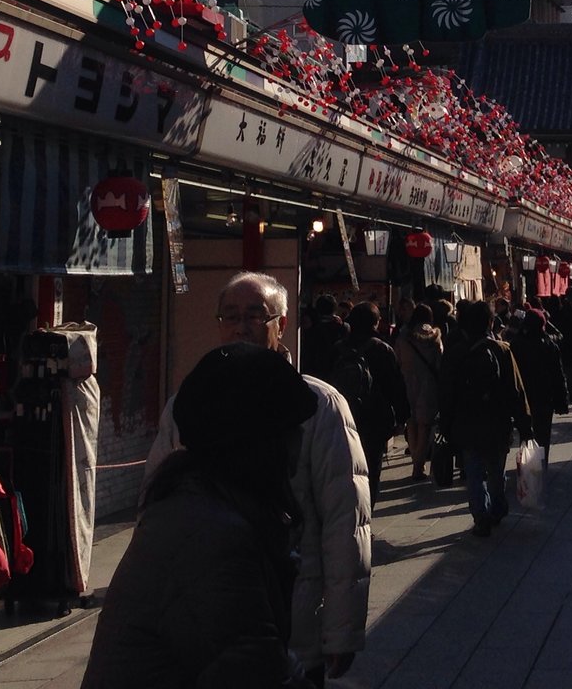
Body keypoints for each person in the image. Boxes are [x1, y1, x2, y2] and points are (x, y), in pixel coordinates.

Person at [144, 272, 370, 683]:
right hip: (202, 619)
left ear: (281, 324)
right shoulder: (189, 403)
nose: (239, 325)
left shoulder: (318, 405)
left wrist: (341, 629)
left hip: (292, 618)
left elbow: (345, 521)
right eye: (229, 316)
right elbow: (157, 507)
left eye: (254, 315)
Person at [84, 344, 316, 689]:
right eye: (291, 430)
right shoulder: (212, 539)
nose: (300, 441)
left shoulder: (200, 507)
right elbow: (253, 669)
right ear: (262, 443)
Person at [437, 300, 532, 537]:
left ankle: (480, 515)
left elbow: (446, 391)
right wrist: (524, 423)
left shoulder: (455, 352)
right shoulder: (502, 350)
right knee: (496, 469)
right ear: (490, 322)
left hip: (466, 421)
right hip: (497, 421)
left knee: (474, 472)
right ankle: (498, 507)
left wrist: (445, 423)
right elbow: (516, 390)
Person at [332, 303, 410, 500]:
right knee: (371, 471)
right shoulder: (382, 349)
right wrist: (402, 417)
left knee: (343, 468)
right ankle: (366, 516)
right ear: (375, 323)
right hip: (374, 418)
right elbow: (395, 386)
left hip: (342, 415)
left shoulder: (338, 349)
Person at [508, 307, 571, 453]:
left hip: (522, 396)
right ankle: (540, 465)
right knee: (543, 436)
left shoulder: (516, 345)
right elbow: (558, 375)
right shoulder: (549, 345)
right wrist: (562, 401)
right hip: (544, 397)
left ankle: (526, 464)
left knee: (525, 433)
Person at [395, 304, 443, 480]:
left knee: (411, 423)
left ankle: (416, 460)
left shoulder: (404, 337)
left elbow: (397, 359)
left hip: (407, 383)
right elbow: (439, 362)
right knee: (425, 425)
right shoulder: (435, 338)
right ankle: (418, 465)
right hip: (428, 385)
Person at [300, 295, 347, 379]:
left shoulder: (312, 329)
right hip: (337, 370)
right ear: (334, 309)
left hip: (315, 371)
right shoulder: (342, 327)